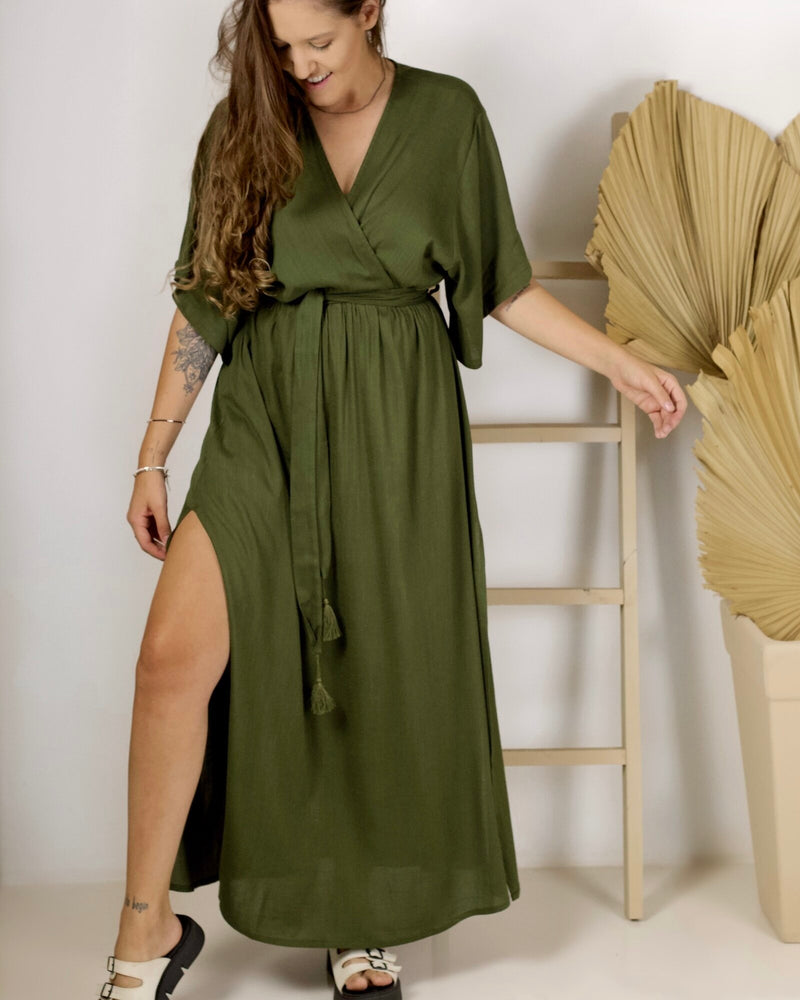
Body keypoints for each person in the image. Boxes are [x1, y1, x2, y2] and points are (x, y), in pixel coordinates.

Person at [98, 1, 687, 998]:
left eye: (319, 41)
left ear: (369, 11)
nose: (299, 65)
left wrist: (618, 364)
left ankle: (358, 916)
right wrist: (152, 457)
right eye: (280, 46)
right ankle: (145, 924)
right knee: (170, 659)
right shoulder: (247, 125)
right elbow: (205, 298)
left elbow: (499, 283)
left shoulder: (446, 117)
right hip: (266, 415)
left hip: (393, 426)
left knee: (368, 665)